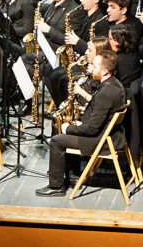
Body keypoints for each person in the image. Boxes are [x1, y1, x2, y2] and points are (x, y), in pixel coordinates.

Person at [35, 49, 127, 196]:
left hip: (99, 141)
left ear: (104, 71)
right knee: (67, 127)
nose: (91, 69)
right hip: (110, 135)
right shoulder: (115, 84)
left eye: (95, 66)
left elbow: (91, 129)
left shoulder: (105, 92)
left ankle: (56, 186)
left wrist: (69, 128)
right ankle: (72, 176)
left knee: (57, 140)